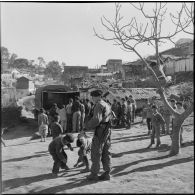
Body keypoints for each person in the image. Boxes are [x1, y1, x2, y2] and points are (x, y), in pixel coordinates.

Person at [84, 89, 112, 181]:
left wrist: (87, 126)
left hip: (100, 130)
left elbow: (96, 120)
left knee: (96, 151)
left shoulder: (98, 105)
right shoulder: (106, 104)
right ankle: (107, 173)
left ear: (97, 97)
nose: (92, 98)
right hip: (107, 129)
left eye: (93, 96)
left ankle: (94, 174)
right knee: (106, 151)